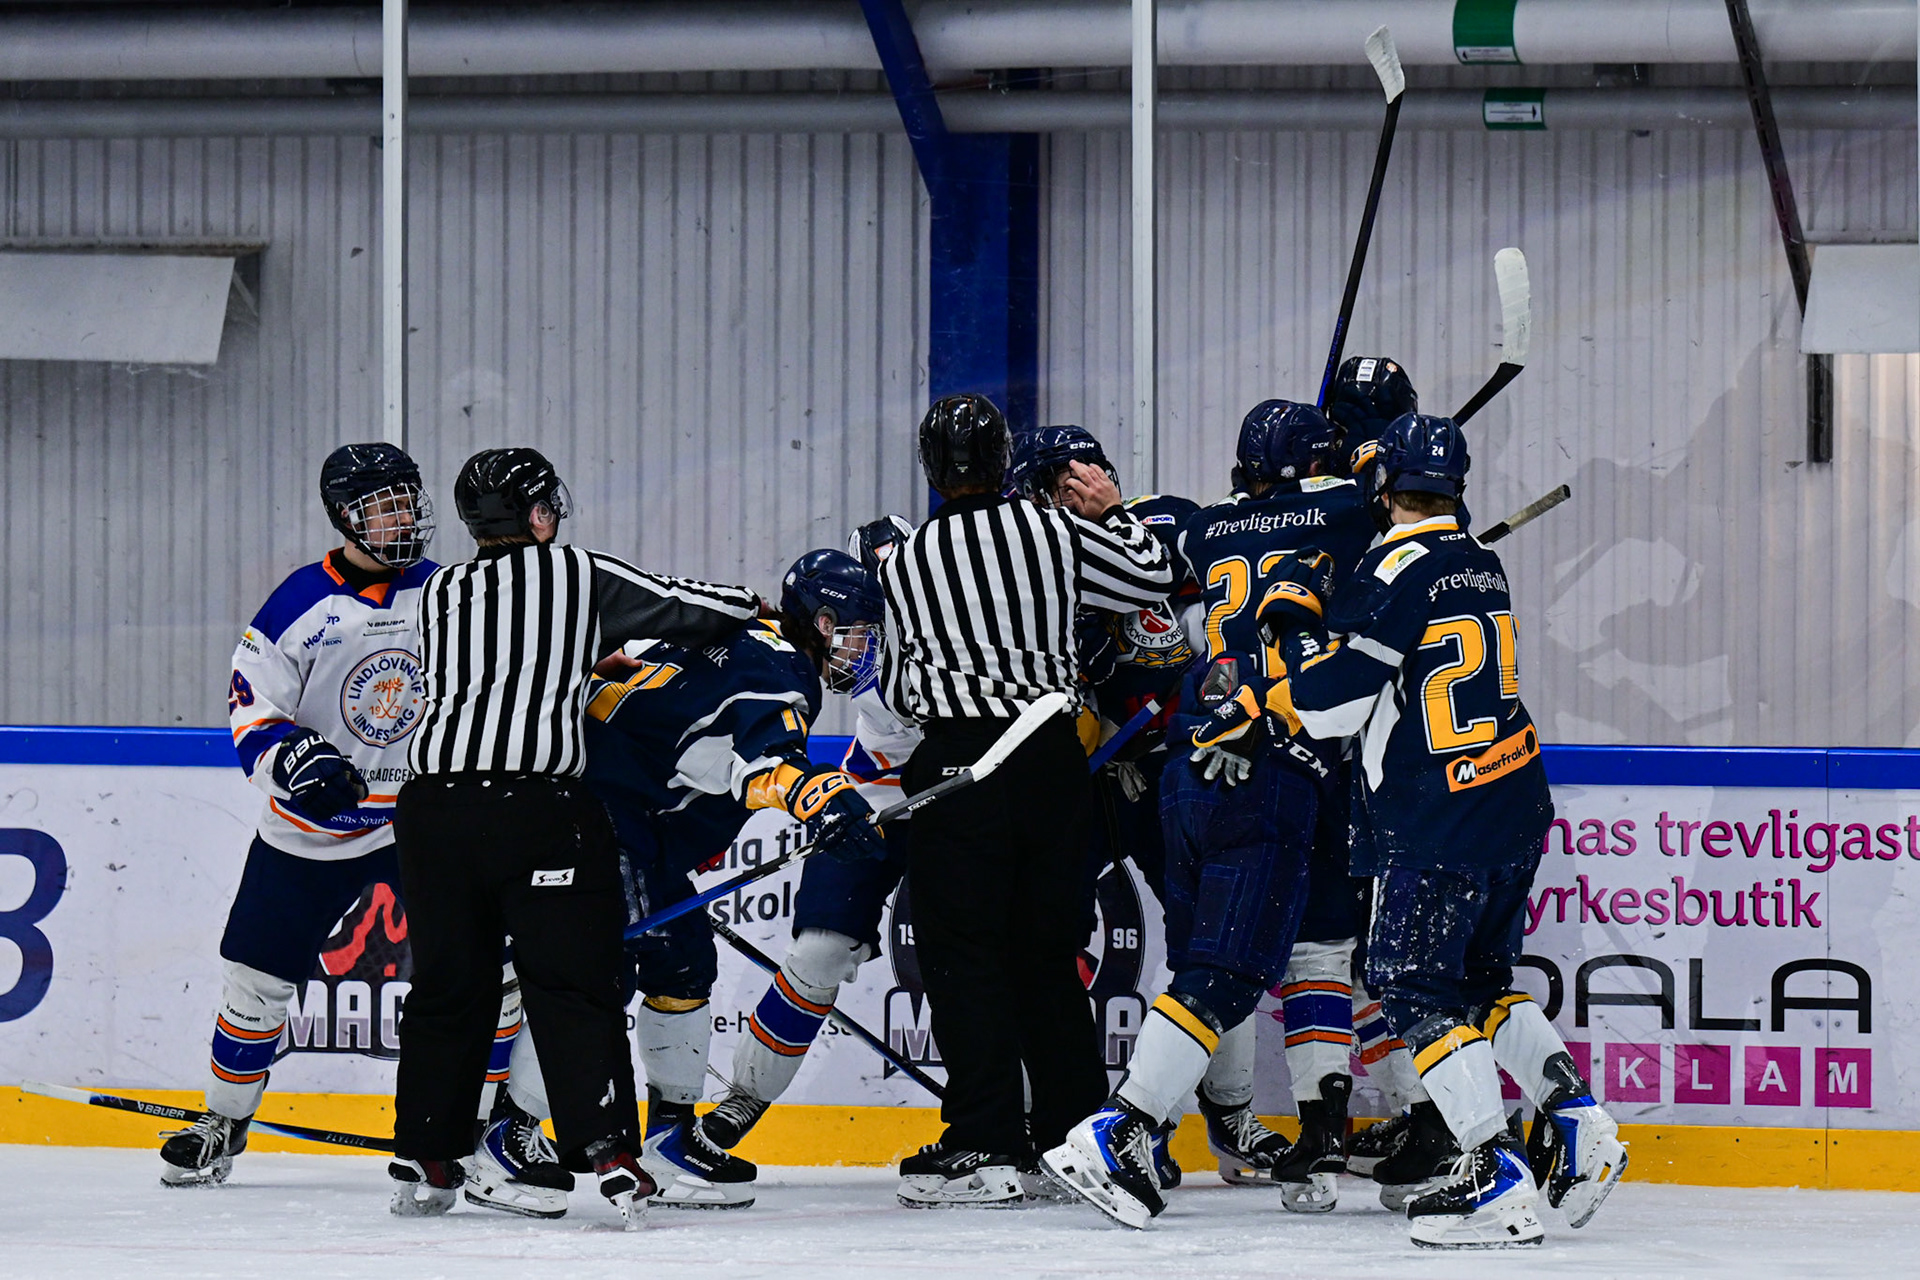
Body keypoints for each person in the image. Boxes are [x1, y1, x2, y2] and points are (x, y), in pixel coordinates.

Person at [1277, 413, 1627, 1249]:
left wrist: (1292, 621)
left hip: (1437, 817)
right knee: (1478, 983)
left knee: (1410, 985)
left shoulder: (1393, 567)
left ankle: (1490, 1172)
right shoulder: (1478, 559)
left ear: (1382, 485)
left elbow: (1327, 708)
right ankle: (1578, 1123)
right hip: (1512, 800)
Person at [388, 447, 760, 1227]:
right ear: (535, 513)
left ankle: (427, 1151)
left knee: (450, 987)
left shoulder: (438, 591)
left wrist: (583, 656)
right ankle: (610, 1153)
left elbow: (500, 657)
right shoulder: (575, 572)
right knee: (572, 983)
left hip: (432, 812)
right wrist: (755, 604)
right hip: (536, 806)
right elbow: (690, 606)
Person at [1039, 400, 1365, 1228]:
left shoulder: (1205, 524)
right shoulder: (1350, 507)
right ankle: (1124, 1129)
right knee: (1242, 968)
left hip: (1188, 763)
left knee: (1228, 961)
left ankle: (1268, 1129)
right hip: (1269, 760)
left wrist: (1113, 516)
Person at [879, 393, 1174, 1207]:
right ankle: (1070, 1137)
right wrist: (1112, 511)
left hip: (959, 765)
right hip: (1048, 758)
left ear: (931, 468)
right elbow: (1150, 578)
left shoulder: (904, 561)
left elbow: (899, 689)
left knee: (963, 956)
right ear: (1005, 460)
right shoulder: (1053, 531)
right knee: (1047, 953)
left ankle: (985, 1142)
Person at [160, 443, 479, 1188]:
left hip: (420, 825)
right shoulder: (297, 604)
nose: (404, 519)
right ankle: (224, 1120)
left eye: (409, 503)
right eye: (385, 508)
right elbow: (253, 711)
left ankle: (485, 1125)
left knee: (484, 973)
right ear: (344, 516)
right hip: (309, 834)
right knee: (255, 981)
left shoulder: (451, 594)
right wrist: (296, 759)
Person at [694, 517, 924, 1163]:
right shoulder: (823, 642)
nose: (858, 639)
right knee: (819, 952)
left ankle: (1002, 1124)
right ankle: (743, 1099)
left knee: (971, 967)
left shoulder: (947, 625)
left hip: (956, 804)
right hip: (872, 794)